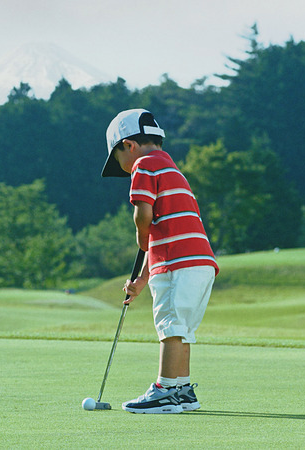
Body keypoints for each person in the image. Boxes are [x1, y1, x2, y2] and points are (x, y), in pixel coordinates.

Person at [101, 109, 219, 414]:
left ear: (129, 145)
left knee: (169, 325)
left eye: (117, 158)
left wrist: (141, 235)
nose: (122, 168)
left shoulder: (143, 166)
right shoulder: (171, 169)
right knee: (181, 328)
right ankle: (182, 390)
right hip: (199, 262)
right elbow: (163, 232)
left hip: (178, 263)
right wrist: (141, 279)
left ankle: (165, 390)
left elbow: (144, 215)